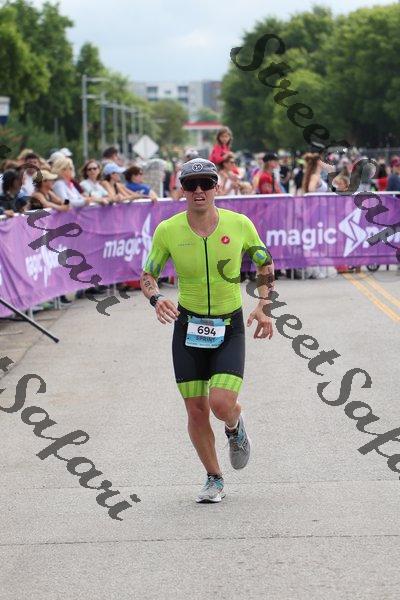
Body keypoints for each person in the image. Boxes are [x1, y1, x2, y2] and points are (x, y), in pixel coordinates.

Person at [140, 157, 275, 504]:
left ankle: (234, 423)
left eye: (206, 184)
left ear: (217, 187)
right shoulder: (168, 230)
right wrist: (156, 298)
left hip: (229, 326)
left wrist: (263, 305)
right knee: (196, 410)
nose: (198, 191)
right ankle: (214, 477)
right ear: (181, 190)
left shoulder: (239, 224)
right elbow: (148, 274)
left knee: (220, 403)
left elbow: (265, 262)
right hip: (188, 326)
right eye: (190, 185)